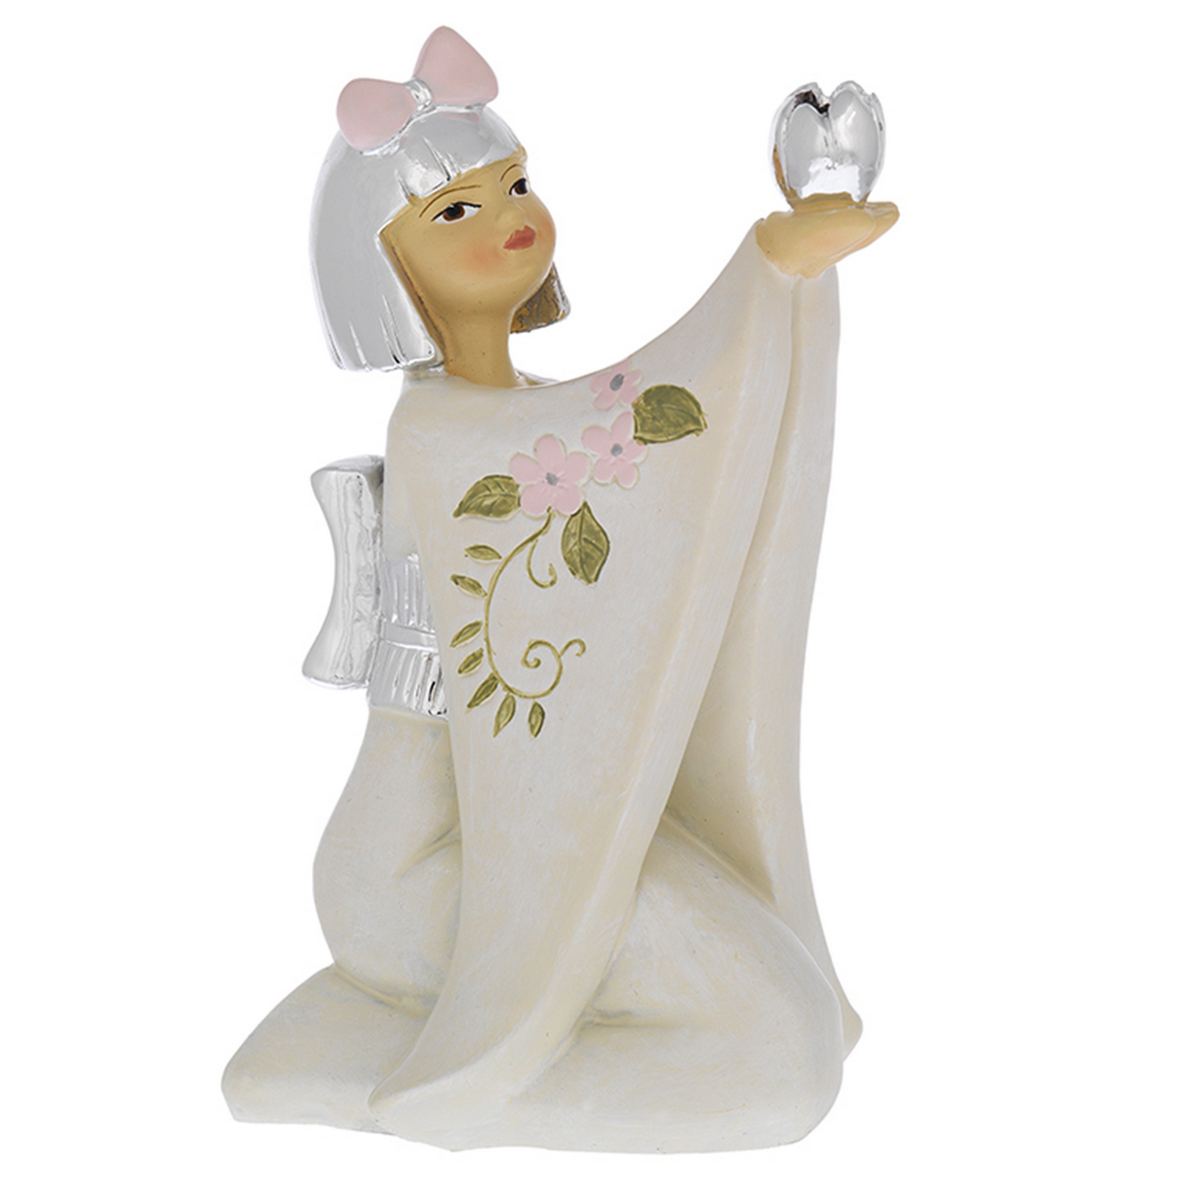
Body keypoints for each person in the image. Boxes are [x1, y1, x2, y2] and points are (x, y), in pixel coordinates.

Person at [222, 26, 898, 1152]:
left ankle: (497, 1065)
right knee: (784, 1061)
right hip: (412, 872)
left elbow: (626, 434)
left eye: (515, 184)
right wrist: (767, 272)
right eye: (456, 212)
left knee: (792, 1031)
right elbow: (638, 428)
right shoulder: (444, 438)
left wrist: (788, 292)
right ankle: (440, 1081)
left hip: (510, 831)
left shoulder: (514, 414)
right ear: (389, 268)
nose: (509, 218)